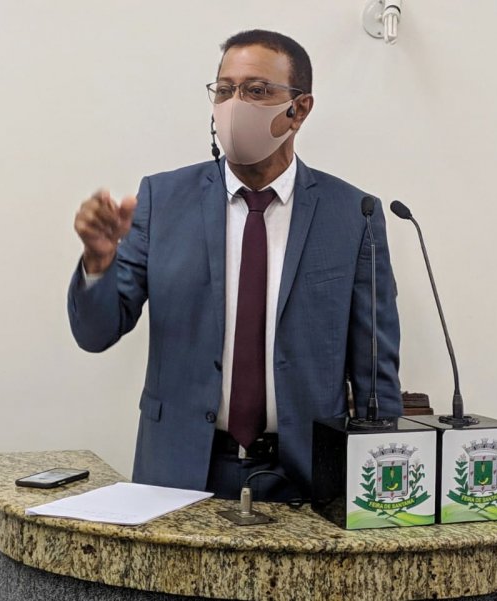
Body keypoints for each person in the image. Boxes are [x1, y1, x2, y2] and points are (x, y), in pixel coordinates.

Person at [68, 29, 401, 501]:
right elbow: (95, 333)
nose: (234, 105)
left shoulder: (353, 215)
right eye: (224, 90)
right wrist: (98, 261)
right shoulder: (163, 201)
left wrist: (381, 494)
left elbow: (375, 374)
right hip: (179, 474)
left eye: (256, 90)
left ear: (300, 108)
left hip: (306, 480)